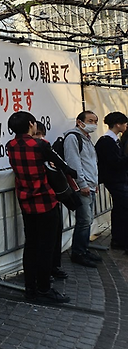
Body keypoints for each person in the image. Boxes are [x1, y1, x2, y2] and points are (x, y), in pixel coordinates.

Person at [6, 111, 75, 303]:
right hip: (45, 200)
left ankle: (30, 288)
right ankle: (44, 289)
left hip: (26, 201)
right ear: (31, 124)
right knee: (46, 247)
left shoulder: (10, 146)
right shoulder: (41, 145)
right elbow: (63, 166)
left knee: (31, 245)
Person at [63, 110, 101, 267]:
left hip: (90, 185)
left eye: (95, 121)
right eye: (90, 120)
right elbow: (74, 163)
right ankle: (78, 252)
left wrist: (94, 182)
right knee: (84, 220)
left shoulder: (87, 138)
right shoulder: (73, 138)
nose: (94, 124)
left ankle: (84, 249)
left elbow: (91, 162)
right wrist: (82, 184)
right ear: (79, 122)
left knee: (88, 220)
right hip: (82, 187)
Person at [33, 122, 68, 280]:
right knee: (42, 241)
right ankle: (43, 274)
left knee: (55, 234)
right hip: (40, 201)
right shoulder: (27, 151)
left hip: (53, 198)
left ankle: (54, 266)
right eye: (36, 135)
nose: (40, 138)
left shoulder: (48, 148)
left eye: (41, 134)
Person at [95, 112, 128, 252]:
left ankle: (119, 238)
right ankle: (120, 239)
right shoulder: (106, 141)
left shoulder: (115, 140)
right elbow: (114, 162)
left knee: (121, 209)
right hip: (114, 180)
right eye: (124, 123)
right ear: (117, 124)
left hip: (119, 179)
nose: (126, 125)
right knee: (123, 209)